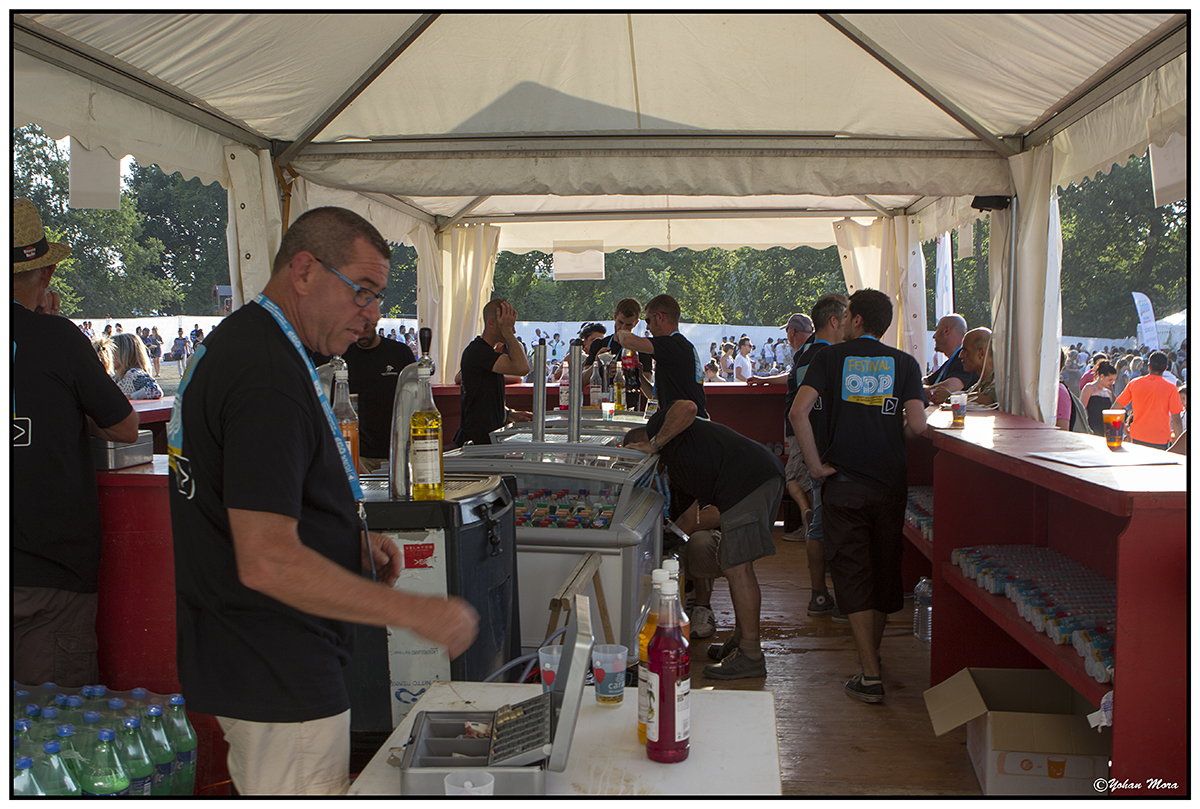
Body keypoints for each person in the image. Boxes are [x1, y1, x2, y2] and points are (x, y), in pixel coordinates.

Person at [167, 206, 479, 796]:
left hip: (253, 655)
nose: (372, 314)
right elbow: (267, 560)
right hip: (277, 667)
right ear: (305, 271)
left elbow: (256, 503)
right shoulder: (267, 375)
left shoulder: (251, 344)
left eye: (378, 296)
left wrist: (342, 543)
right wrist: (416, 612)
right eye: (362, 291)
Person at [13, 197, 140, 687]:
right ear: (45, 274)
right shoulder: (59, 339)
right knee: (55, 723)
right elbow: (124, 427)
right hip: (51, 576)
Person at [791, 289, 927, 704]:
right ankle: (873, 660)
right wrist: (891, 433)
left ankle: (869, 674)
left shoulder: (829, 358)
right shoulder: (905, 363)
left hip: (844, 484)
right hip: (889, 484)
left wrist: (814, 466)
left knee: (852, 575)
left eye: (848, 313)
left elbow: (798, 412)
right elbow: (919, 426)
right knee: (883, 572)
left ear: (858, 319)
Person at [623, 399, 784, 679]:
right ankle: (741, 640)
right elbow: (688, 521)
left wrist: (655, 443)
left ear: (641, 443)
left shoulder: (659, 429)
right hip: (756, 477)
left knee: (738, 569)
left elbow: (688, 407)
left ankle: (751, 655)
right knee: (735, 564)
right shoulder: (678, 468)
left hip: (749, 482)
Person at [785, 299, 854, 623]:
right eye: (847, 317)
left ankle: (820, 594)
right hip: (829, 450)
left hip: (816, 447)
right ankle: (836, 597)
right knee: (831, 525)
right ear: (835, 321)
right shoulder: (828, 357)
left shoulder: (808, 354)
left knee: (820, 524)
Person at [749, 311, 817, 542]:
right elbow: (791, 378)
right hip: (805, 424)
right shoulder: (810, 352)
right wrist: (765, 380)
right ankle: (810, 522)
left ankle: (814, 527)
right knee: (797, 476)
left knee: (800, 477)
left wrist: (763, 380)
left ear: (792, 332)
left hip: (801, 425)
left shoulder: (807, 354)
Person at [613, 294, 709, 418]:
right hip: (683, 418)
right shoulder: (677, 346)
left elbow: (627, 341)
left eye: (648, 321)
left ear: (659, 317)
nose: (647, 327)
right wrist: (639, 377)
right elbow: (656, 398)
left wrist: (621, 330)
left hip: (688, 422)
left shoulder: (672, 345)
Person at [454, 298, 532, 446]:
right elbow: (522, 368)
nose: (513, 331)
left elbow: (484, 397)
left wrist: (508, 413)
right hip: (477, 441)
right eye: (507, 325)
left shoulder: (486, 354)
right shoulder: (478, 351)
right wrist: (507, 332)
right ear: (491, 323)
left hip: (485, 438)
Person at [343, 326, 416, 472]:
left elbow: (415, 400)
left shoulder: (399, 352)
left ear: (375, 320)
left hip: (397, 450)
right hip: (359, 453)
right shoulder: (344, 357)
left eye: (365, 327)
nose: (361, 333)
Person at [1113, 351, 1184, 450]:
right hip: (1161, 438)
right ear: (1166, 368)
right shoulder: (1171, 388)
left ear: (1149, 366)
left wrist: (1125, 430)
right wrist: (1178, 444)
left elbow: (1114, 409)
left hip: (1137, 435)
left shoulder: (1134, 383)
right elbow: (1176, 420)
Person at [923, 314, 978, 404]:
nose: (934, 336)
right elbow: (927, 381)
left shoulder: (965, 361)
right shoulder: (951, 361)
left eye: (937, 330)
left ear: (946, 330)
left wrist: (920, 390)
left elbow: (948, 387)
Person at [106, 332, 164, 400]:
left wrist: (128, 398)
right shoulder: (116, 377)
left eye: (111, 351)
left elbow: (154, 390)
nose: (107, 355)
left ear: (124, 353)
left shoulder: (133, 374)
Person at [959, 328, 996, 406]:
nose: (960, 356)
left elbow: (988, 400)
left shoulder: (999, 381)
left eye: (965, 350)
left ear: (982, 354)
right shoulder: (982, 382)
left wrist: (951, 398)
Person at [1080, 361, 1117, 434]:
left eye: (1113, 380)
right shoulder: (1089, 388)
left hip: (1106, 431)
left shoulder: (1108, 392)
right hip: (1091, 429)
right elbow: (1081, 409)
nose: (1112, 383)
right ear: (1102, 376)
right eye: (1110, 380)